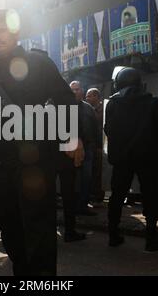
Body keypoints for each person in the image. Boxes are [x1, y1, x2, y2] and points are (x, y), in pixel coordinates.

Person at [0, 9, 84, 276]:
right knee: (9, 227)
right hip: (1, 160)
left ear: (15, 32)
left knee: (39, 227)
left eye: (1, 31)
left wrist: (72, 136)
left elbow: (64, 99)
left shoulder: (38, 62)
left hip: (36, 158)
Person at [105, 66, 158, 251]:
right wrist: (151, 143)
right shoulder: (152, 102)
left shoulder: (113, 103)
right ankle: (151, 239)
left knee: (117, 196)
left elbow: (108, 129)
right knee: (151, 196)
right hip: (148, 156)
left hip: (121, 158)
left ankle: (113, 235)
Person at [70, 82, 98, 216]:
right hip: (69, 149)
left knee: (86, 178)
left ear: (82, 91)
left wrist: (95, 145)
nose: (75, 92)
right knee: (71, 179)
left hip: (87, 148)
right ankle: (72, 206)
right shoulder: (64, 107)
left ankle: (83, 205)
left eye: (77, 89)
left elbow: (95, 128)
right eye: (73, 90)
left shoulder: (88, 109)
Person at [86, 88, 106, 203]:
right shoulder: (89, 108)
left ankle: (98, 195)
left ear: (96, 97)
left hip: (99, 145)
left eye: (89, 96)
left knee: (98, 172)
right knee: (92, 171)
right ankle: (91, 193)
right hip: (91, 145)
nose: (87, 98)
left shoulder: (103, 109)